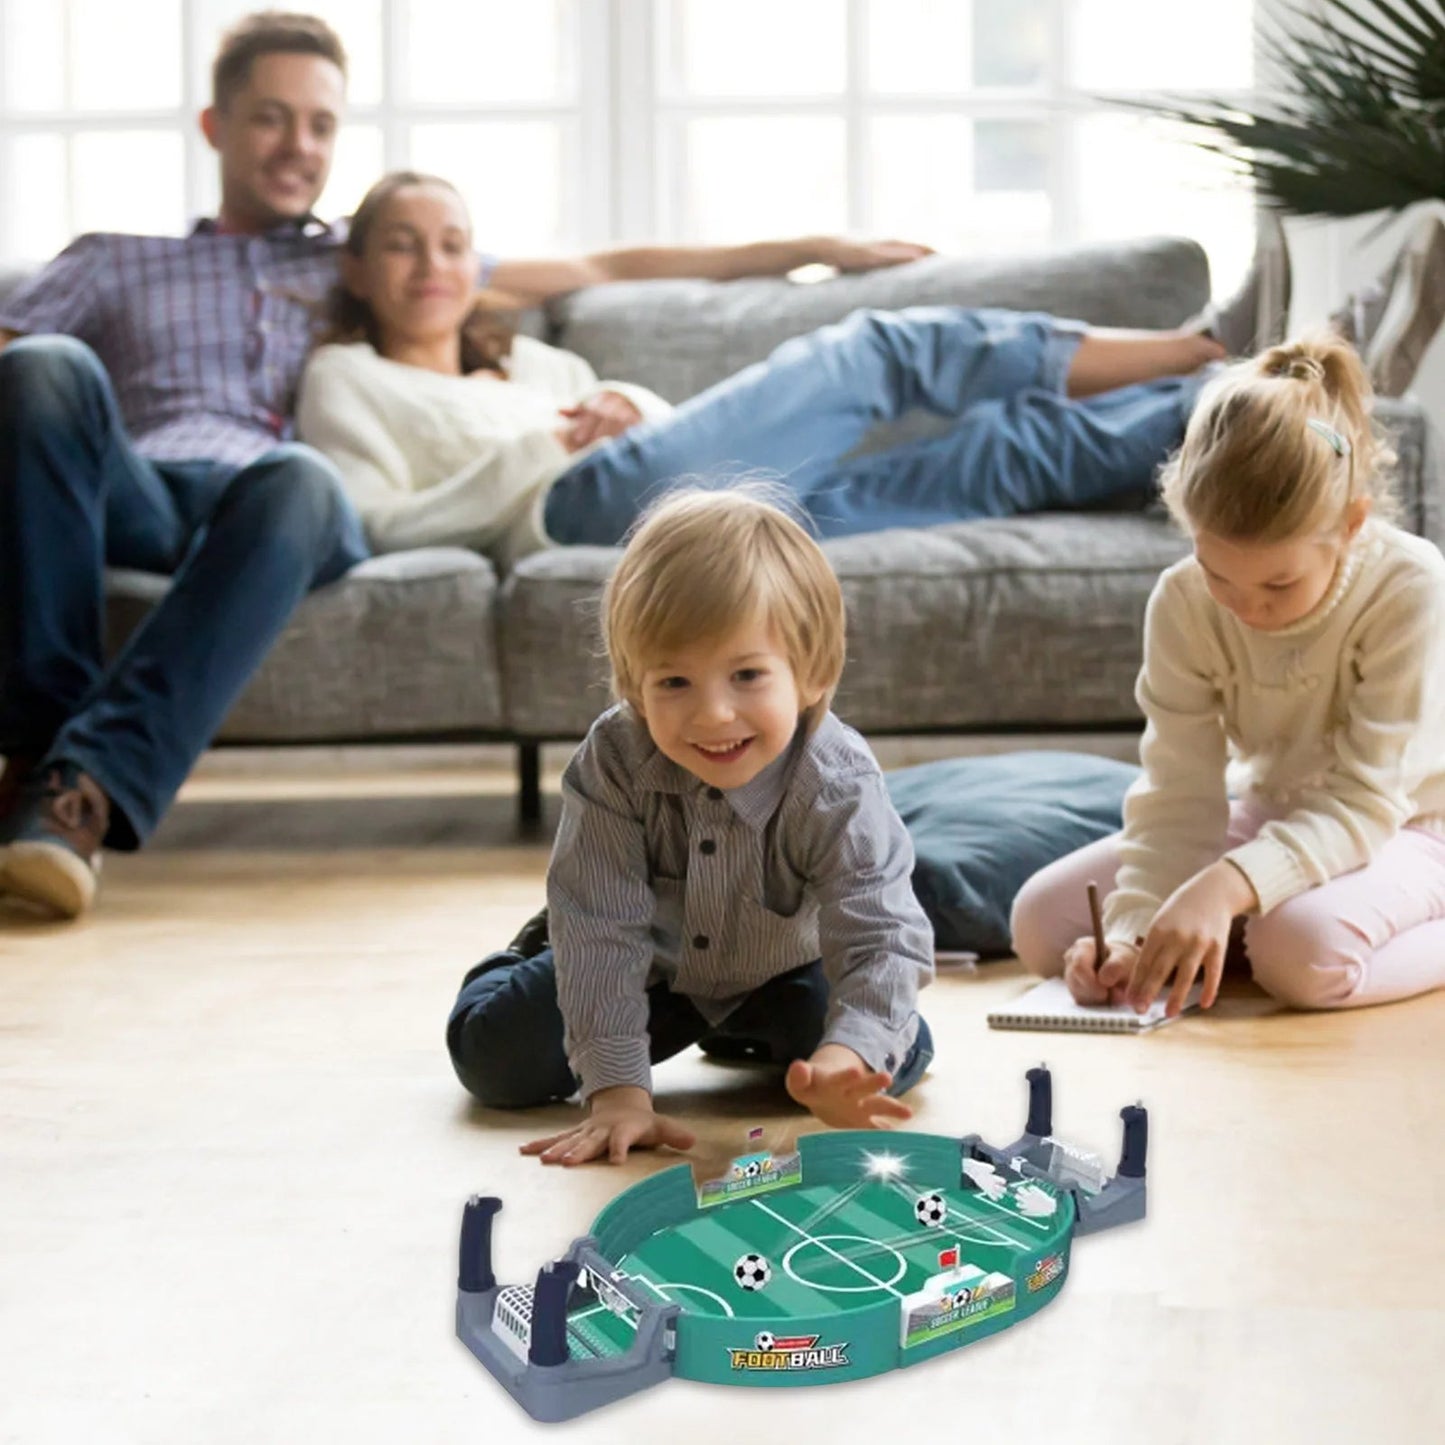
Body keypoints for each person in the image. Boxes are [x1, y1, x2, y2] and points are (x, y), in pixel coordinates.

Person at [0, 13, 927, 921]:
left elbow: (603, 266)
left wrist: (812, 249)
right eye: (270, 117)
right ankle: (42, 763)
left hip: (273, 510)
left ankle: (70, 789)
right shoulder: (114, 260)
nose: (298, 144)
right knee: (40, 367)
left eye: (320, 123)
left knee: (302, 478)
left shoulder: (362, 257)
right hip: (132, 488)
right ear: (216, 127)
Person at [299, 171, 1243, 570]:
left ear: (479, 266)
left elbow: (676, 446)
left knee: (996, 455)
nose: (431, 266)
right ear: (356, 266)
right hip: (575, 516)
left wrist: (628, 403)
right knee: (876, 352)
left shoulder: (539, 361)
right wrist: (539, 450)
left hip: (697, 518)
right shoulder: (348, 378)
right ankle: (1200, 341)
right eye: (400, 245)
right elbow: (371, 525)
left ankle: (1236, 400)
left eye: (452, 244)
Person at [446, 489, 936, 1164]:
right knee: (493, 1062)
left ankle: (747, 1031)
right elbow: (601, 933)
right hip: (646, 962)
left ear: (812, 673)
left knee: (889, 1056)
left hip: (782, 966)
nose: (712, 715)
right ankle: (528, 947)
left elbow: (880, 934)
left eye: (746, 675)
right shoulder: (615, 758)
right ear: (631, 685)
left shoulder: (837, 778)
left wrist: (844, 1054)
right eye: (673, 682)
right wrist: (616, 1091)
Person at [1010, 333, 1445, 1017]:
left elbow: (1365, 802)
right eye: (1219, 574)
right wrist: (1130, 932)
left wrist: (1221, 889)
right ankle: (1247, 923)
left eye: (1277, 583)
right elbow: (1176, 792)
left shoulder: (1409, 586)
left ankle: (1263, 925)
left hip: (1410, 823)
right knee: (1041, 924)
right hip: (1277, 808)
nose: (1246, 608)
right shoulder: (1182, 599)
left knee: (1299, 957)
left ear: (1352, 523)